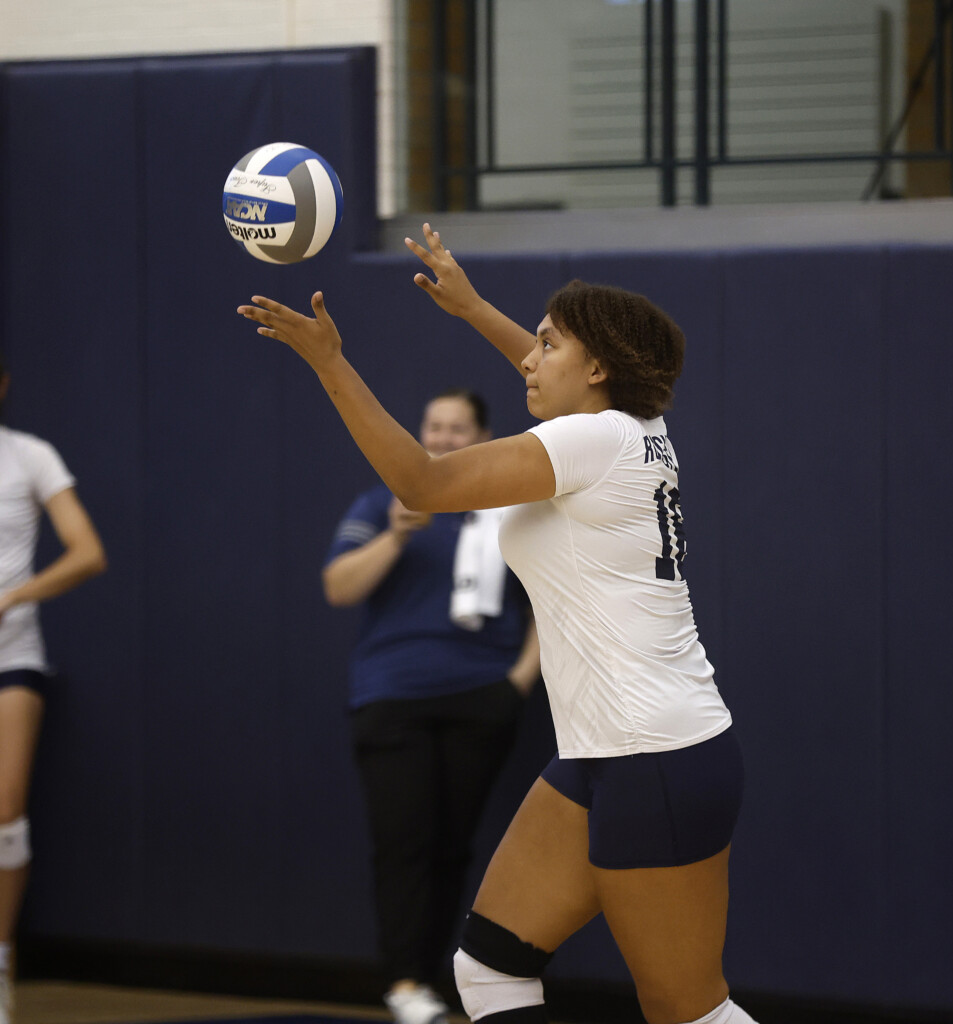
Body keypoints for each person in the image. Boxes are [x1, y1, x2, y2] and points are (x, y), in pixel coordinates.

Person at [237, 223, 758, 1024]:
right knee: (488, 971)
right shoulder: (635, 429)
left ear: (597, 368)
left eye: (548, 344)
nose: (529, 358)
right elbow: (562, 377)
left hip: (654, 756)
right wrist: (474, 308)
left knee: (689, 1012)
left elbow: (421, 482)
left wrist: (329, 362)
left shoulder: (588, 440)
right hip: (610, 753)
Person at [323, 387, 541, 1024]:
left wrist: (516, 684)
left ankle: (428, 982)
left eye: (457, 428)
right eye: (434, 426)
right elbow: (338, 587)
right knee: (404, 843)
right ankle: (404, 983)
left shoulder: (511, 514)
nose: (443, 438)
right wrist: (394, 536)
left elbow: (550, 605)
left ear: (483, 437)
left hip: (482, 699)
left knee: (453, 846)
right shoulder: (382, 503)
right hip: (393, 699)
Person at [0, 353, 107, 1024]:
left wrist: (11, 598)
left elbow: (87, 552)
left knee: (5, 809)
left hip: (12, 658)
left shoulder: (30, 456)